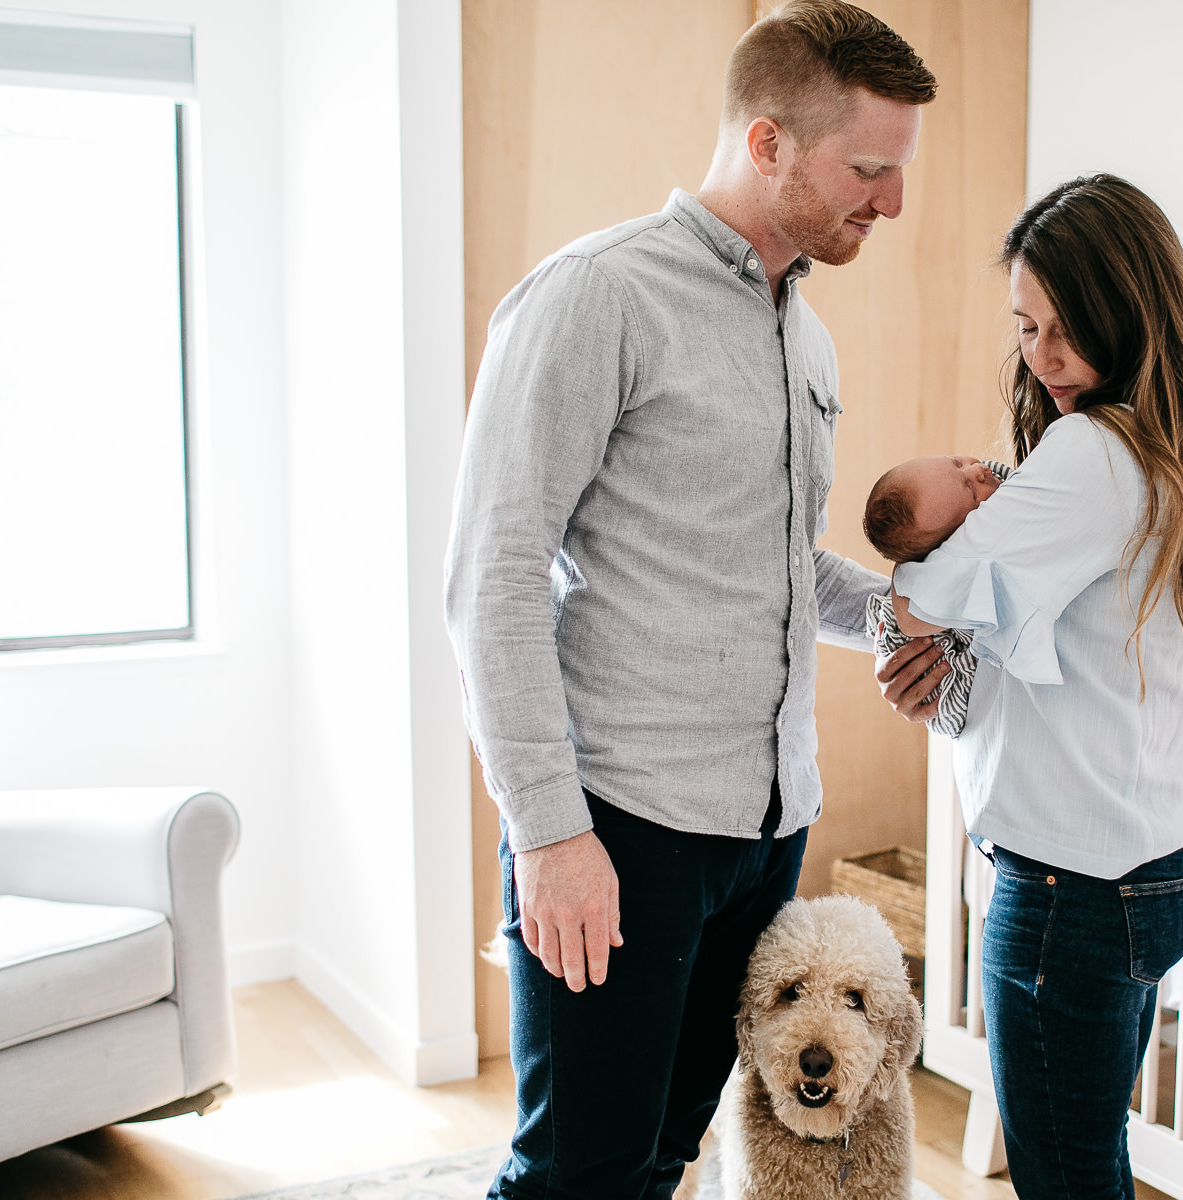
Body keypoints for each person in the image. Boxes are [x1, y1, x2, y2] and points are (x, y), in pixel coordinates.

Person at [443, 5, 936, 1198]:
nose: (892, 202)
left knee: (668, 1150)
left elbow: (780, 568)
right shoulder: (595, 298)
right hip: (620, 830)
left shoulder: (807, 340)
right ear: (767, 143)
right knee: (577, 1173)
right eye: (868, 169)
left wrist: (902, 616)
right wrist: (549, 834)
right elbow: (493, 578)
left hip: (766, 836)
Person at [876, 174, 1183, 1197]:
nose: (1044, 357)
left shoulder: (1094, 451)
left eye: (1069, 328)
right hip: (1176, 858)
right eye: (1027, 327)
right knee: (1092, 1148)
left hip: (1075, 889)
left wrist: (921, 613)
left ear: (1133, 311)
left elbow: (926, 595)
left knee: (1066, 1176)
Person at [860, 454, 1009, 736]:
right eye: (972, 493)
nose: (978, 471)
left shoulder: (995, 479)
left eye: (956, 462)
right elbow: (914, 616)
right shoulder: (959, 578)